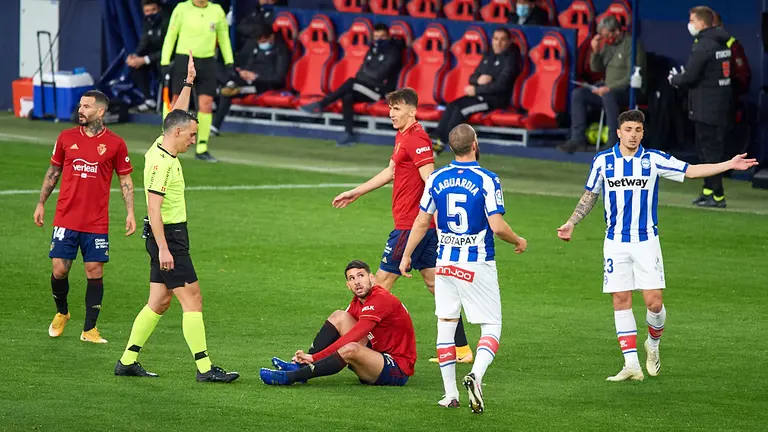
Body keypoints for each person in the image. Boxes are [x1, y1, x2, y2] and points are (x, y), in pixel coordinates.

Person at [555, 109, 757, 382]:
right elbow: (591, 194)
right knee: (620, 299)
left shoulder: (653, 160)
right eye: (628, 130)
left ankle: (653, 344)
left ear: (642, 133)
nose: (633, 135)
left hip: (646, 240)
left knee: (654, 302)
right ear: (618, 132)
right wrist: (572, 222)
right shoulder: (603, 161)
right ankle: (631, 365)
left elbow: (692, 171)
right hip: (615, 241)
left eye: (637, 130)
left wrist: (728, 165)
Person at [114, 54, 239, 383]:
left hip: (165, 235)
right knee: (193, 298)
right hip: (167, 236)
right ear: (179, 134)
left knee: (159, 300)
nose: (194, 140)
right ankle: (204, 368)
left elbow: (176, 116)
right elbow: (153, 209)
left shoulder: (162, 143)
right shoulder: (162, 164)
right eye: (192, 135)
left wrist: (188, 83)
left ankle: (127, 361)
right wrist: (165, 248)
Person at [331, 87, 474, 364]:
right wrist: (356, 192)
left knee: (378, 285)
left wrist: (436, 217)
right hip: (421, 228)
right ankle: (462, 349)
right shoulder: (403, 136)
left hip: (410, 228)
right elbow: (391, 171)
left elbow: (432, 181)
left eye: (397, 109)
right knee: (437, 287)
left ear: (412, 110)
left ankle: (355, 345)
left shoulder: (418, 138)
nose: (391, 114)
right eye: (390, 108)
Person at [399, 123, 527, 413]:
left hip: (444, 264)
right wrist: (517, 240)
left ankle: (449, 394)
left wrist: (406, 255)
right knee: (491, 325)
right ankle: (476, 375)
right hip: (476, 263)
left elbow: (421, 221)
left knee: (446, 324)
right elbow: (496, 225)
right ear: (475, 144)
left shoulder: (436, 178)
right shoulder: (487, 179)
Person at [33, 90, 136, 344]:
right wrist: (41, 203)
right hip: (66, 217)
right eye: (80, 105)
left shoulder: (115, 143)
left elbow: (125, 178)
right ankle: (62, 312)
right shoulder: (66, 138)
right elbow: (53, 172)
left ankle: (89, 329)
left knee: (94, 270)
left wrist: (131, 212)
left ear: (100, 111)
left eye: (87, 106)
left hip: (96, 221)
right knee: (59, 270)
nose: (81, 110)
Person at [259, 260, 416, 386]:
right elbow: (338, 334)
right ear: (348, 285)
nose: (357, 282)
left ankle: (291, 377)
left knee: (351, 348)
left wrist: (315, 358)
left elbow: (355, 335)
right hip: (376, 353)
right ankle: (300, 366)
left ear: (372, 278)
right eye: (352, 278)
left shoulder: (380, 298)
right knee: (339, 316)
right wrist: (309, 357)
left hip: (396, 367)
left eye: (361, 275)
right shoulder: (357, 302)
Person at [669, 6, 734, 208]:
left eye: (692, 20)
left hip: (706, 107)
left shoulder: (704, 45)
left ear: (702, 23)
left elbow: (690, 76)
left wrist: (674, 79)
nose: (690, 24)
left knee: (709, 152)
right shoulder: (722, 42)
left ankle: (718, 196)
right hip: (718, 104)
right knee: (706, 150)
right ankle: (707, 191)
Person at [300, 23, 404, 147]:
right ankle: (348, 134)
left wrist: (365, 75)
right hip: (367, 87)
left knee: (351, 83)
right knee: (348, 95)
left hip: (381, 92)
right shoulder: (373, 49)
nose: (378, 40)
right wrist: (366, 75)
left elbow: (379, 75)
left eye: (382, 37)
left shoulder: (393, 52)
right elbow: (362, 71)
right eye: (376, 36)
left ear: (388, 37)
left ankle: (322, 104)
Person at [558, 15, 647, 154]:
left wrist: (609, 88)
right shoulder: (608, 45)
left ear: (617, 31)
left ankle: (613, 141)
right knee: (578, 94)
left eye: (607, 35)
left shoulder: (632, 44)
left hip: (628, 90)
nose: (606, 38)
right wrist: (595, 51)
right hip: (607, 87)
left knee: (608, 95)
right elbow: (596, 68)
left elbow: (633, 75)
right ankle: (577, 139)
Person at [160, 0, 234, 163]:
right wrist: (165, 61)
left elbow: (223, 38)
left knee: (206, 103)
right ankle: (167, 142)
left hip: (207, 62)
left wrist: (229, 61)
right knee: (177, 103)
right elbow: (171, 35)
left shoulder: (216, 11)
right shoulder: (182, 8)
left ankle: (202, 147)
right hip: (184, 59)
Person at [431, 28, 521, 156]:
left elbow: (502, 86)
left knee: (461, 110)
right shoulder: (488, 56)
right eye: (496, 39)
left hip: (493, 101)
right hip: (478, 95)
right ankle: (436, 137)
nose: (498, 43)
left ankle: (443, 142)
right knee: (452, 105)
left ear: (509, 42)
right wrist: (478, 80)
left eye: (502, 40)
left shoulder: (511, 60)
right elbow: (473, 77)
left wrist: (477, 89)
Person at [212, 23, 290, 133]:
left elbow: (278, 78)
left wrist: (256, 76)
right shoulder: (253, 45)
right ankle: (227, 83)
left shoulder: (281, 51)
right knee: (212, 64)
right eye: (259, 41)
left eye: (263, 41)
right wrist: (241, 70)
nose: (261, 43)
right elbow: (242, 61)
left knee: (228, 92)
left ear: (271, 37)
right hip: (243, 78)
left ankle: (214, 126)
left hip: (260, 84)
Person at [126, 0, 169, 113]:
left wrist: (145, 59)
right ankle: (149, 101)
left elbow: (169, 50)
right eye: (147, 11)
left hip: (167, 58)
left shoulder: (167, 22)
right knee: (134, 66)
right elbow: (144, 43)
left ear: (159, 9)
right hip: (151, 57)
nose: (150, 13)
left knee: (163, 66)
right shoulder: (147, 22)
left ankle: (168, 103)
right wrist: (135, 56)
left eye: (153, 10)